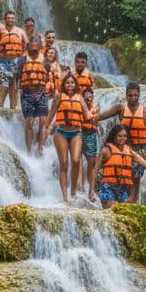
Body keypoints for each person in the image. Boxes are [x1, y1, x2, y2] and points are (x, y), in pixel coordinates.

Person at [96, 82, 146, 204]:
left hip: (140, 149)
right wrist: (92, 119)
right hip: (124, 147)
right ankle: (120, 200)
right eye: (130, 95)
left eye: (135, 95)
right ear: (126, 95)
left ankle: (133, 201)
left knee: (136, 179)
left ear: (139, 95)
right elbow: (103, 116)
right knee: (124, 175)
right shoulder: (121, 109)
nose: (133, 98)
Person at [42, 73, 87, 203]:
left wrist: (95, 115)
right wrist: (45, 127)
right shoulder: (58, 96)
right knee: (64, 164)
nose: (70, 85)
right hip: (61, 132)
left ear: (76, 84)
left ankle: (73, 191)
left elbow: (87, 115)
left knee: (76, 160)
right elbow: (51, 113)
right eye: (67, 82)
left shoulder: (80, 98)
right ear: (64, 84)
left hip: (76, 132)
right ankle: (65, 197)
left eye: (72, 82)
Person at [96, 123, 146, 208]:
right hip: (108, 186)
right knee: (113, 210)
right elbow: (95, 170)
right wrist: (92, 190)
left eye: (124, 136)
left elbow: (144, 163)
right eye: (120, 136)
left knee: (122, 213)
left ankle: (133, 198)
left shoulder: (129, 151)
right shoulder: (106, 150)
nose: (122, 138)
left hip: (123, 187)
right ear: (114, 136)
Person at [17, 36, 50, 155]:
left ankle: (40, 146)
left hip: (41, 93)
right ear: (28, 46)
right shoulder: (22, 59)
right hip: (27, 93)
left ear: (40, 47)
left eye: (36, 45)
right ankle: (29, 151)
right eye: (32, 45)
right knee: (29, 122)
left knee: (42, 121)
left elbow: (47, 75)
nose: (34, 48)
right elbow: (18, 75)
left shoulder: (45, 60)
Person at [0, 11, 27, 111]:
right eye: (8, 18)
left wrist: (23, 59)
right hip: (2, 61)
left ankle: (12, 109)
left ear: (15, 19)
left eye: (12, 18)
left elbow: (27, 44)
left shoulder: (20, 31)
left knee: (14, 86)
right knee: (4, 85)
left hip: (16, 61)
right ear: (5, 19)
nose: (10, 20)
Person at [80, 86, 100, 200]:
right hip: (80, 133)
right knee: (78, 161)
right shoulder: (79, 107)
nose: (88, 101)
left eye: (90, 99)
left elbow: (96, 122)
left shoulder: (96, 107)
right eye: (86, 99)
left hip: (91, 134)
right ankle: (80, 187)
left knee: (91, 163)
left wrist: (98, 130)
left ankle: (90, 190)